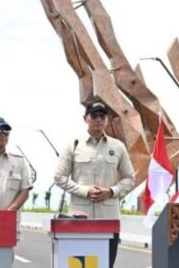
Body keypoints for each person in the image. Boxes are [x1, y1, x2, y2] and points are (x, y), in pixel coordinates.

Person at [54, 101, 135, 268]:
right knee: (80, 265)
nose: (98, 119)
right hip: (80, 219)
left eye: (102, 116)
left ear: (107, 120)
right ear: (86, 119)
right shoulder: (74, 145)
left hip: (109, 219)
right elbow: (59, 177)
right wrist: (84, 191)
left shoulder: (118, 147)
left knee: (106, 265)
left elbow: (129, 178)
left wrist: (111, 191)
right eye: (94, 116)